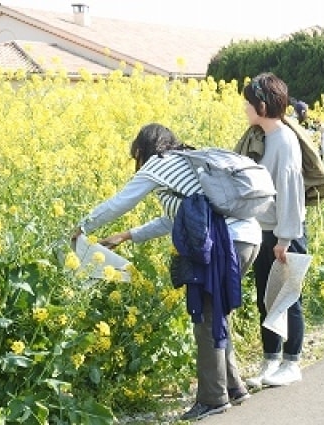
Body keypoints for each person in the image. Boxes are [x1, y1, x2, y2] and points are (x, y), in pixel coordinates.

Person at [72, 123, 262, 421]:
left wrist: (81, 227)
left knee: (207, 317)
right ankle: (234, 387)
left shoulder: (157, 164)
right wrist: (127, 235)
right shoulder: (188, 161)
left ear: (143, 148)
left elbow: (120, 202)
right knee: (218, 313)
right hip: (248, 237)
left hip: (224, 242)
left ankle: (213, 398)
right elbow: (179, 219)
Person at [242, 72, 308, 387]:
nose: (245, 108)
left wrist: (285, 238)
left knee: (287, 298)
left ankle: (291, 363)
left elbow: (291, 191)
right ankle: (271, 361)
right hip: (265, 230)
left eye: (249, 103)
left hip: (285, 234)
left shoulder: (284, 141)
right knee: (265, 299)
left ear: (263, 106)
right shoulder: (262, 137)